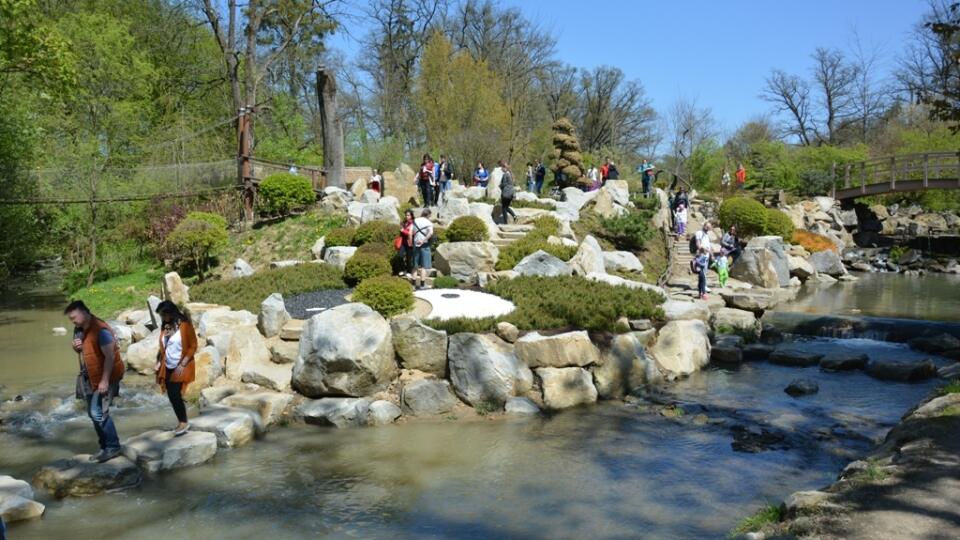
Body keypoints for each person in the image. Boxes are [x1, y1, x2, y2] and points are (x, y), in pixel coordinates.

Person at [65, 300, 125, 463]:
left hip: (106, 376)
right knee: (93, 414)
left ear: (84, 312)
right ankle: (105, 447)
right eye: (71, 319)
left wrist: (104, 381)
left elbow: (110, 356)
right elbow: (85, 349)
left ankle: (113, 447)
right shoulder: (79, 329)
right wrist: (77, 347)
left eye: (74, 317)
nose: (73, 321)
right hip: (90, 376)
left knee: (99, 412)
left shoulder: (101, 330)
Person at [154, 300, 197, 436]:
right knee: (172, 396)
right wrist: (159, 360)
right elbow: (163, 346)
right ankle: (181, 421)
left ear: (172, 312)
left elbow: (193, 345)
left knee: (175, 394)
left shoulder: (185, 325)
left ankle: (184, 422)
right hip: (167, 365)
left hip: (181, 364)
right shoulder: (165, 326)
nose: (163, 318)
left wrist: (184, 362)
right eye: (161, 315)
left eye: (165, 314)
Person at [412, 209, 434, 289]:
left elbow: (412, 232)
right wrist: (424, 240)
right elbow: (430, 233)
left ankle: (413, 285)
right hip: (424, 245)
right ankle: (422, 285)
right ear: (428, 215)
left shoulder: (415, 221)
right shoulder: (429, 223)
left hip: (416, 243)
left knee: (415, 265)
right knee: (424, 266)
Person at [398, 210, 416, 277]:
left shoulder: (413, 223)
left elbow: (412, 233)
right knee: (400, 255)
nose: (407, 216)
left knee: (409, 258)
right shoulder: (404, 223)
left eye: (408, 215)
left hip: (410, 242)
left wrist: (403, 231)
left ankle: (409, 271)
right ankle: (402, 269)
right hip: (403, 242)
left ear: (411, 216)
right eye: (406, 215)